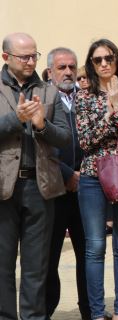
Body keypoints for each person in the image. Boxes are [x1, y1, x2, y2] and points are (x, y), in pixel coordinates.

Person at [0, 32, 70, 320]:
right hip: (3, 188)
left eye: (34, 56)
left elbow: (65, 138)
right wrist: (15, 120)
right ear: (6, 57)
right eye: (24, 56)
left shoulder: (50, 92)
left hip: (40, 187)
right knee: (2, 265)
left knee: (36, 265)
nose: (31, 61)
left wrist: (42, 125)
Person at [76, 38, 118, 320]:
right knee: (94, 246)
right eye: (97, 60)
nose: (104, 64)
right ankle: (95, 313)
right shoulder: (84, 96)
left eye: (109, 58)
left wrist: (117, 104)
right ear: (91, 65)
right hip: (93, 175)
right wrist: (111, 110)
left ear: (117, 60)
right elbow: (86, 140)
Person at [45, 47, 93, 319]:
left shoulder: (86, 99)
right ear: (50, 71)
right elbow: (40, 145)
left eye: (72, 67)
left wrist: (82, 174)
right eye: (61, 67)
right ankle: (46, 309)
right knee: (50, 256)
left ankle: (90, 308)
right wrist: (67, 174)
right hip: (54, 189)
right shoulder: (43, 99)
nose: (68, 72)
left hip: (86, 187)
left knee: (88, 253)